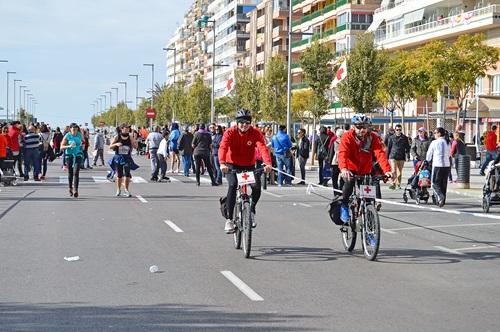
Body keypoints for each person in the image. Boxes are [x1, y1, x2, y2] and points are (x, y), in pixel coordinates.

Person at [218, 108, 272, 233]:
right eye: (242, 122)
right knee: (232, 185)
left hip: (248, 166)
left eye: (247, 122)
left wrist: (268, 163)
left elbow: (262, 147)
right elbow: (223, 147)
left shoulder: (255, 133)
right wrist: (222, 163)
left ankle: (251, 211)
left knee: (257, 186)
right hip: (231, 166)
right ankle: (230, 219)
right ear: (237, 123)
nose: (244, 125)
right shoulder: (230, 133)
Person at [338, 114, 392, 222]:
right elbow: (343, 153)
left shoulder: (372, 138)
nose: (362, 130)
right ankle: (344, 205)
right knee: (349, 182)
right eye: (359, 127)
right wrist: (344, 168)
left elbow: (380, 154)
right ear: (353, 126)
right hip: (350, 170)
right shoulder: (347, 137)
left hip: (366, 171)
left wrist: (387, 170)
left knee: (369, 201)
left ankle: (370, 230)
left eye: (365, 127)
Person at [109, 123, 138, 197]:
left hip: (127, 157)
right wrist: (116, 144)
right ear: (122, 128)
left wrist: (135, 139)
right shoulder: (117, 136)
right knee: (119, 174)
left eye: (128, 128)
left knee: (127, 173)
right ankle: (118, 189)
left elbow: (135, 147)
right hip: (118, 157)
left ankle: (126, 189)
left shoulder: (130, 137)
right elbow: (110, 146)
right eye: (126, 128)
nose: (128, 129)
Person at [426, 127, 451, 207]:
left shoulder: (435, 142)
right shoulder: (448, 142)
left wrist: (427, 160)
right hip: (446, 165)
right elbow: (449, 154)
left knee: (435, 183)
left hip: (437, 164)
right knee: (443, 183)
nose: (434, 134)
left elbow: (429, 155)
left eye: (435, 132)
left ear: (439, 133)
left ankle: (440, 196)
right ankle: (442, 200)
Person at [60, 123, 83, 197]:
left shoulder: (79, 134)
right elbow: (61, 147)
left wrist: (83, 146)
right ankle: (70, 187)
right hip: (69, 155)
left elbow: (83, 141)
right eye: (73, 128)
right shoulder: (67, 135)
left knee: (76, 172)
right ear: (70, 128)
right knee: (70, 172)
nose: (74, 129)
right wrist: (69, 146)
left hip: (78, 155)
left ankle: (76, 190)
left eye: (76, 127)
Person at [386, 124, 410, 189]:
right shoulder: (391, 137)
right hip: (393, 155)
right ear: (395, 130)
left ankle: (398, 184)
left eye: (400, 130)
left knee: (399, 171)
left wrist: (408, 156)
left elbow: (407, 147)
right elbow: (389, 147)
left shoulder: (404, 138)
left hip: (401, 156)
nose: (398, 131)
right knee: (393, 170)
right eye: (397, 130)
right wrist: (387, 157)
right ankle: (392, 183)